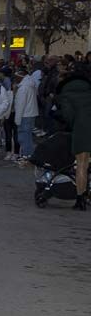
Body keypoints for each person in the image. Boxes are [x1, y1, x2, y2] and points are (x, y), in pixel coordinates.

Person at [56, 68, 91, 210]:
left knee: (82, 165)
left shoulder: (66, 94)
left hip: (82, 130)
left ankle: (80, 199)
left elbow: (68, 116)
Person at [13, 67, 39, 164]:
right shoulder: (30, 84)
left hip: (24, 115)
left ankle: (26, 155)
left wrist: (17, 119)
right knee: (28, 136)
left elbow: (20, 105)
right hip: (31, 113)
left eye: (16, 77)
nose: (15, 79)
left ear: (21, 76)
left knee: (23, 136)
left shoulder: (23, 88)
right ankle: (28, 154)